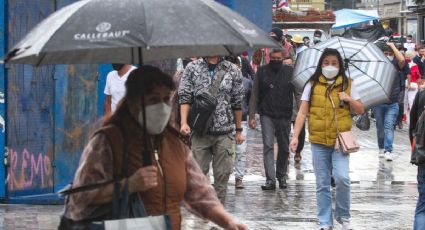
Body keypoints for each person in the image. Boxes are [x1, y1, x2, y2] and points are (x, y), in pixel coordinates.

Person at [64, 66, 247, 230]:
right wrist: (128, 185)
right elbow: (81, 198)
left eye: (166, 99)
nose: (161, 106)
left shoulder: (175, 143)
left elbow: (199, 192)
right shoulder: (107, 141)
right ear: (134, 102)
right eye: (153, 99)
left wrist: (226, 221)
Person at [290, 48, 364, 230]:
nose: (330, 66)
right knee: (322, 183)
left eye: (334, 63)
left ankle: (343, 216)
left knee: (342, 178)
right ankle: (324, 221)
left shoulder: (348, 84)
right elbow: (302, 112)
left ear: (340, 66)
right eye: (326, 63)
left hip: (340, 141)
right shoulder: (312, 85)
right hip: (318, 141)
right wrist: (295, 136)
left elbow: (361, 109)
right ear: (320, 64)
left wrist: (348, 99)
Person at [178, 56, 244, 204]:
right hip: (200, 131)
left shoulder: (232, 69)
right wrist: (183, 122)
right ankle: (202, 209)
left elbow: (237, 102)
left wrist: (239, 130)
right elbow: (185, 97)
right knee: (197, 175)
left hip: (225, 130)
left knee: (222, 175)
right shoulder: (192, 68)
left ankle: (219, 210)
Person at [249, 48, 298, 190]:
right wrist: (252, 115)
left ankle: (281, 175)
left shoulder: (290, 72)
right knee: (268, 145)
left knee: (284, 147)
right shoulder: (262, 71)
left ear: (283, 58)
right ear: (269, 57)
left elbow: (297, 93)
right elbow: (254, 94)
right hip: (266, 114)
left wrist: (301, 112)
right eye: (274, 58)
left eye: (279, 58)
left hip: (284, 113)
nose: (276, 60)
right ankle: (270, 179)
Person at [373, 42, 405, 161]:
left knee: (389, 126)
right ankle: (381, 148)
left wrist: (393, 46)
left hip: (393, 103)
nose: (388, 55)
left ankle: (388, 150)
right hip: (379, 102)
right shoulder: (377, 66)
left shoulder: (395, 65)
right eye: (385, 53)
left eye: (389, 54)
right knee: (380, 127)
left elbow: (402, 60)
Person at [225, 55, 253, 189]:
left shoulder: (247, 83)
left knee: (241, 150)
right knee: (223, 151)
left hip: (241, 121)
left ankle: (239, 178)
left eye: (236, 65)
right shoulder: (221, 82)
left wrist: (251, 116)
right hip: (223, 121)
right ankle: (222, 176)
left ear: (240, 67)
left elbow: (251, 101)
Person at [409, 87, 425, 230]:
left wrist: (416, 151)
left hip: (423, 158)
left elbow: (412, 126)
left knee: (423, 205)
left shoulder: (421, 93)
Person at [283, 56, 305, 164]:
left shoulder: (299, 78)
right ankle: (285, 152)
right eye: (285, 65)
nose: (288, 67)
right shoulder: (279, 78)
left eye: (290, 65)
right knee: (284, 133)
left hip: (298, 110)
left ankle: (298, 152)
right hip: (285, 111)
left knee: (300, 132)